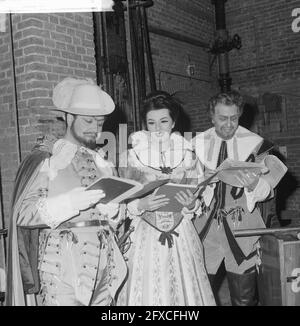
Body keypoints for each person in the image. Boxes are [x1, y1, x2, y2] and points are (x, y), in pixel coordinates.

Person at [6, 77, 127, 306]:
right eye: (89, 121)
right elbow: (22, 212)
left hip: (105, 261)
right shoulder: (47, 159)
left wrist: (114, 212)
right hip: (63, 264)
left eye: (100, 122)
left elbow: (116, 222)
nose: (95, 129)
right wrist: (69, 202)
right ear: (69, 117)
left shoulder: (102, 161)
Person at [117, 91, 215, 306]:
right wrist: (140, 204)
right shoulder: (131, 158)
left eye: (163, 121)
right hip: (145, 233)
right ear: (145, 124)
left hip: (181, 233)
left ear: (173, 123)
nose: (158, 128)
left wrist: (191, 204)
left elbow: (197, 195)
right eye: (151, 123)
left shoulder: (188, 156)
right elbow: (120, 200)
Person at [192, 90, 286, 306]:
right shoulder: (196, 145)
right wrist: (200, 181)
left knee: (243, 297)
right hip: (205, 230)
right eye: (222, 118)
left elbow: (267, 191)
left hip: (243, 229)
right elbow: (186, 187)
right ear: (212, 116)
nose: (228, 124)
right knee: (200, 294)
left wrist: (254, 184)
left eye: (234, 118)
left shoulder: (257, 145)